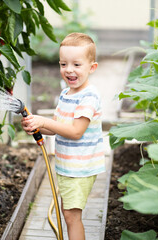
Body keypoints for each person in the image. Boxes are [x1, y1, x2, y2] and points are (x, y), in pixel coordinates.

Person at [21, 32, 105, 240]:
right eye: (63, 64)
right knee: (69, 214)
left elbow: (76, 132)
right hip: (68, 166)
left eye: (77, 65)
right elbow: (58, 127)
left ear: (91, 68)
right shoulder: (67, 93)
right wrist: (36, 125)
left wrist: (44, 121)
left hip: (80, 168)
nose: (69, 70)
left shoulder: (89, 96)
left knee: (71, 216)